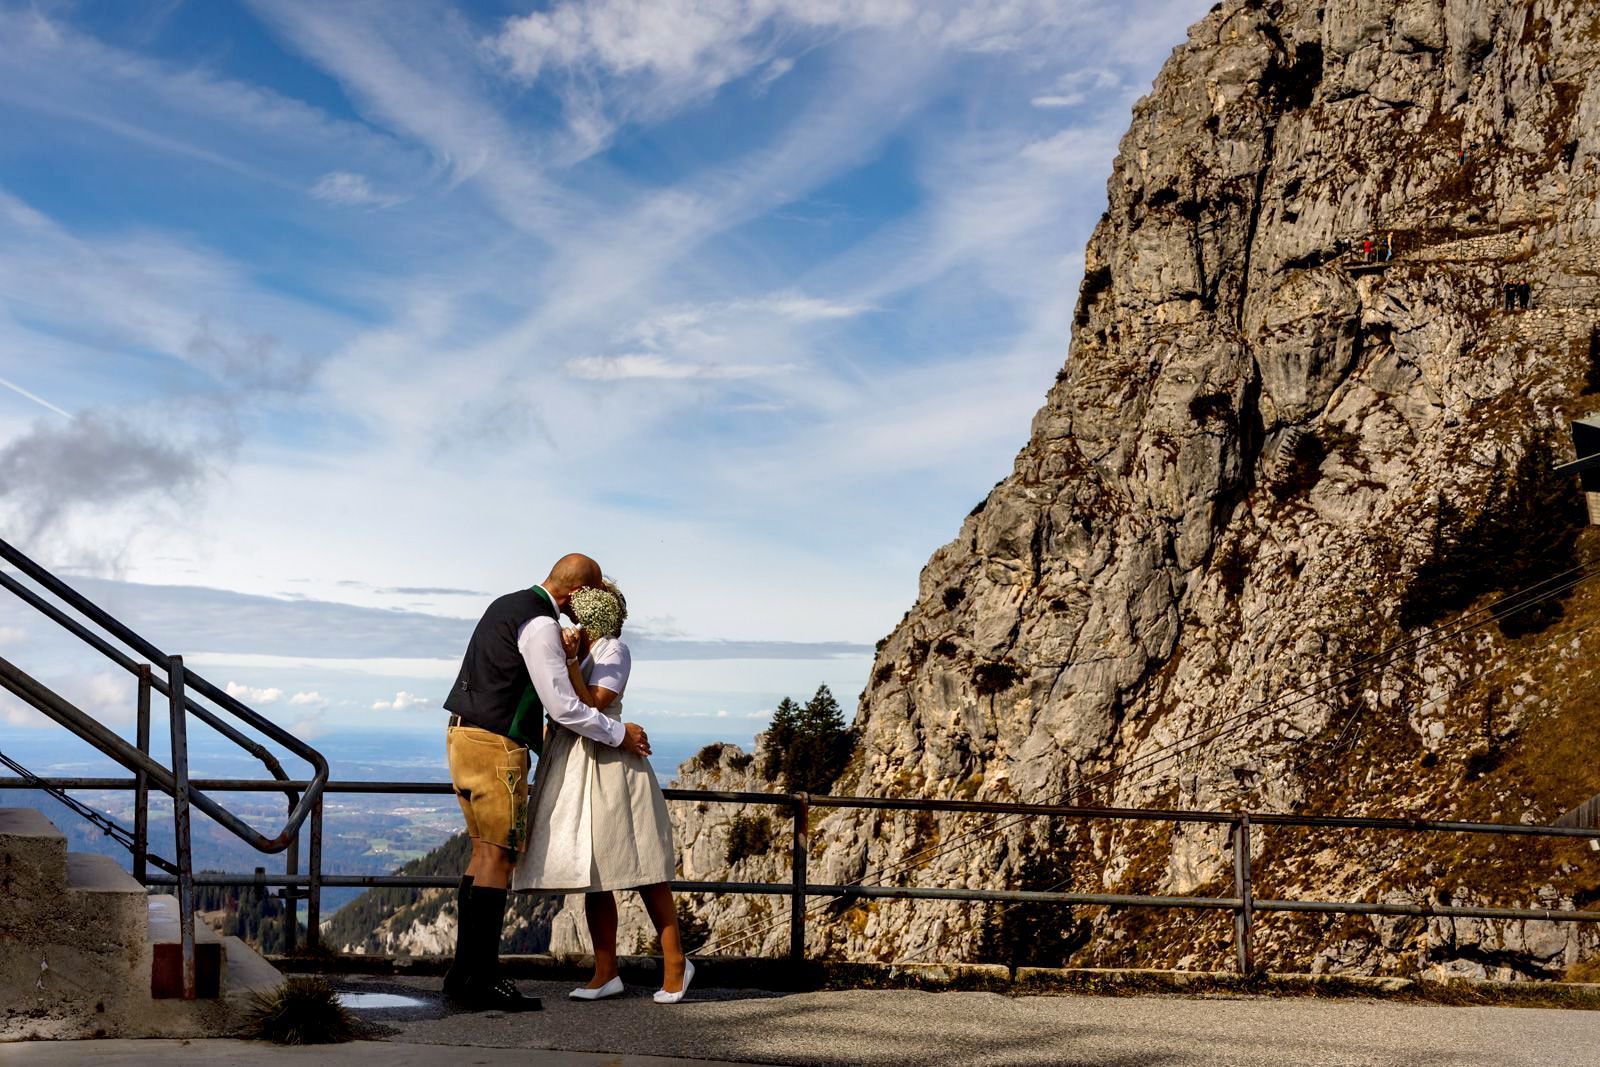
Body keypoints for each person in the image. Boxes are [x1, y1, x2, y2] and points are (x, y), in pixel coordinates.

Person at [440, 554, 652, 1012]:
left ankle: (463, 973)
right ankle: (485, 979)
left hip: (464, 735)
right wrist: (620, 734)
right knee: (498, 857)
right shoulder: (539, 624)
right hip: (496, 745)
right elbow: (563, 707)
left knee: (481, 853)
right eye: (594, 592)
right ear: (578, 594)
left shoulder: (508, 605)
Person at [513, 582, 693, 1005]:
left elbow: (595, 700)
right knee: (594, 874)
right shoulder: (575, 645)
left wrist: (572, 661)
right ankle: (606, 970)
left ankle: (676, 963)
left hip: (613, 763)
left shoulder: (614, 650)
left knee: (645, 868)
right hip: (578, 759)